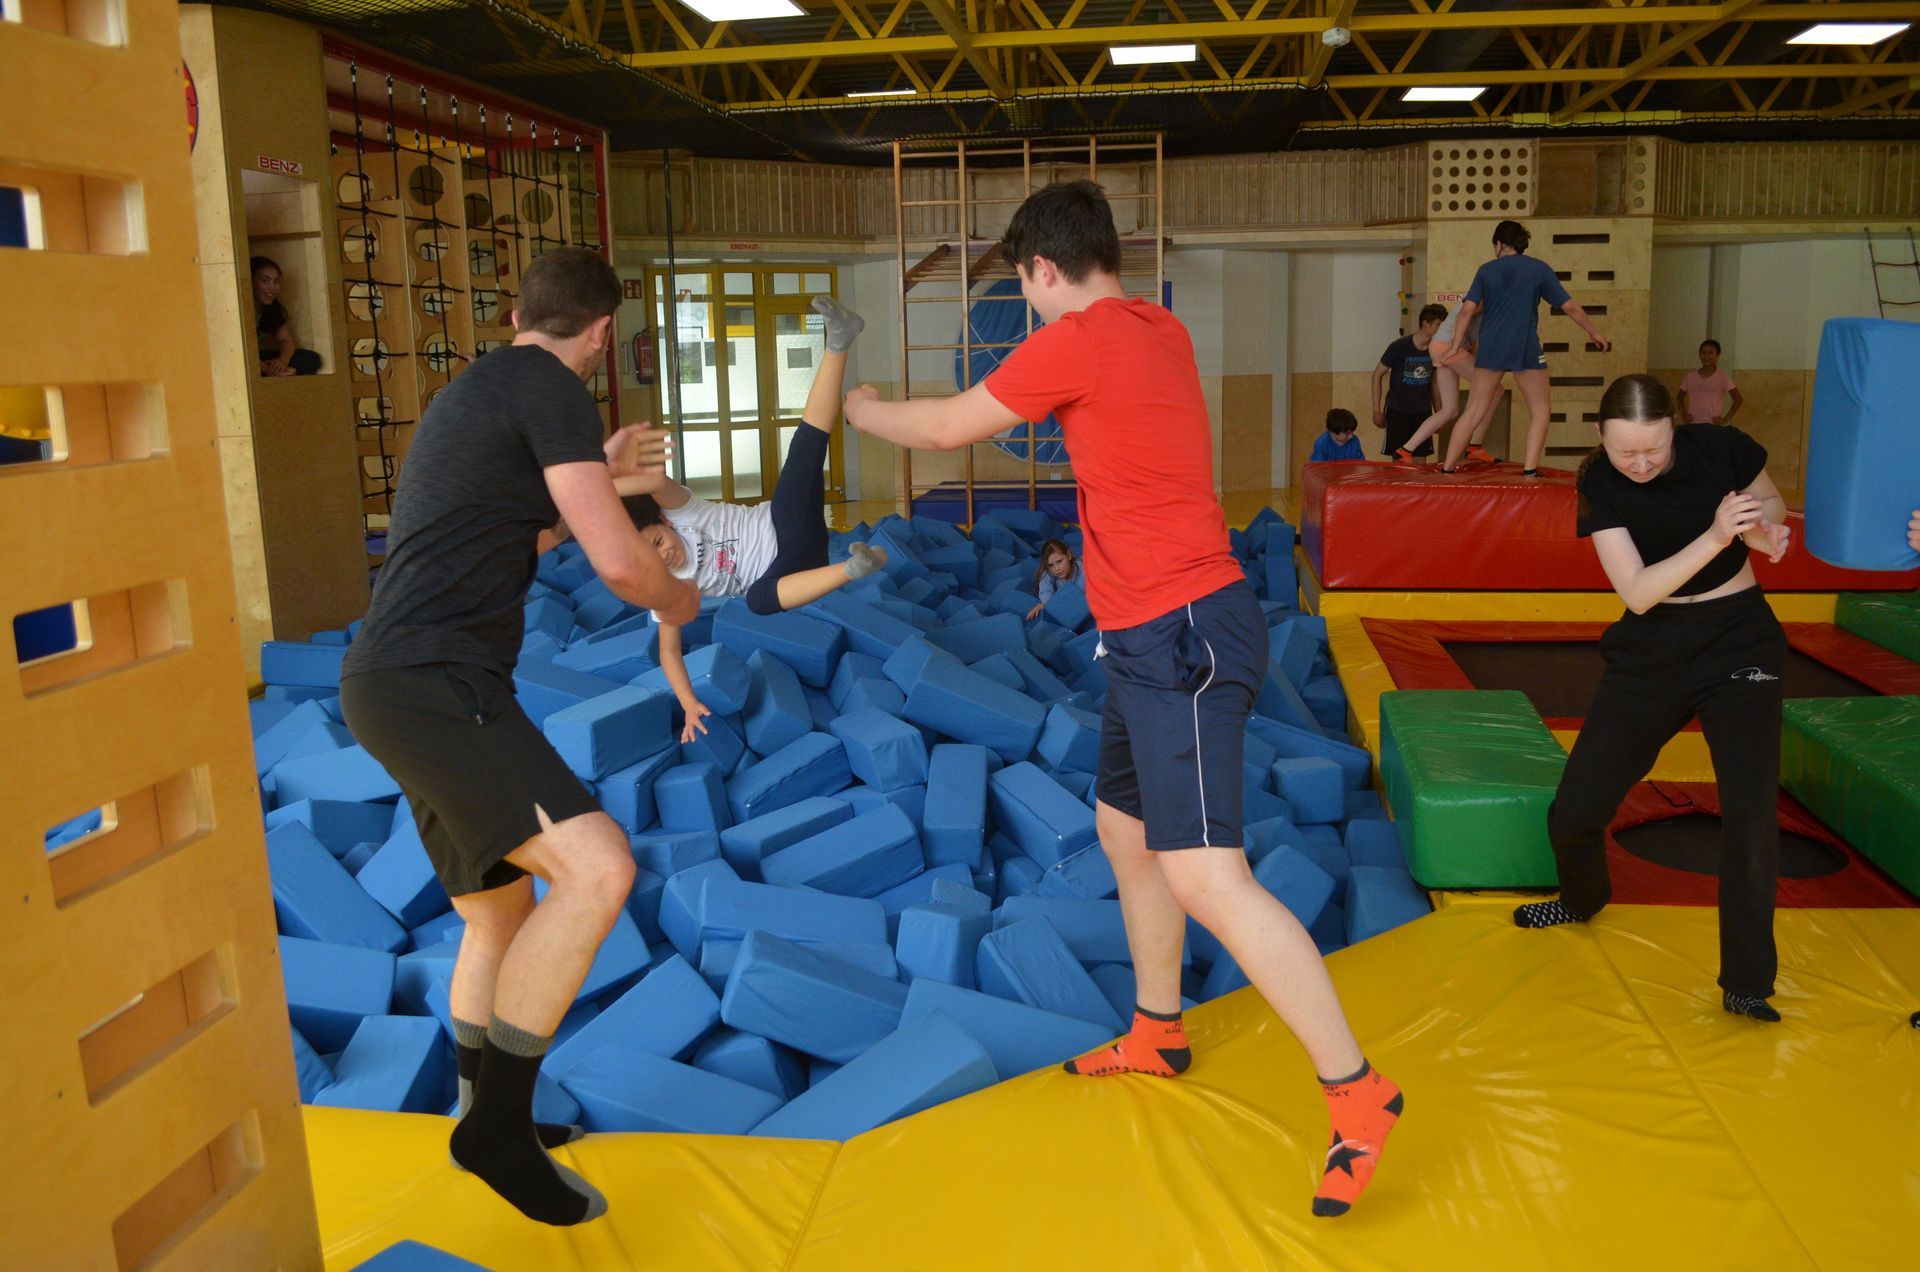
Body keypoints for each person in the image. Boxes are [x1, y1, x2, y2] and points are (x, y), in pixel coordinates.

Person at [843, 180, 1403, 1219]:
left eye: (1024, 284)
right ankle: (1158, 1026)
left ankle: (1359, 1095)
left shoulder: (1082, 336)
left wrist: (860, 406)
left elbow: (946, 428)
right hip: (1153, 631)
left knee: (1207, 876)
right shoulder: (1159, 327)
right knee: (1121, 825)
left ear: (1041, 271)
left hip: (1182, 632)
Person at [339, 247, 700, 1227]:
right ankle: (496, 1128)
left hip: (392, 679)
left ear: (519, 316)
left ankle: (474, 1110)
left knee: (498, 914)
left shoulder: (484, 386)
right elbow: (620, 565)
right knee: (599, 870)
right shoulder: (552, 390)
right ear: (597, 334)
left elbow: (525, 531)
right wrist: (683, 593)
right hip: (436, 684)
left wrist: (607, 472)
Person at [1514, 374, 1792, 1024]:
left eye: (1654, 450)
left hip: (1739, 642)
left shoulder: (1722, 448)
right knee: (1576, 807)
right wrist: (1720, 535)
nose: (1639, 465)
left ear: (1675, 428)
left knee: (1751, 818)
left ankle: (1747, 982)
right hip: (1653, 647)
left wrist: (1764, 531)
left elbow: (1771, 505)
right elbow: (1638, 592)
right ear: (1602, 441)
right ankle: (1581, 899)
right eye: (1624, 452)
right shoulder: (1599, 484)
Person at [618, 296, 886, 742]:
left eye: (655, 542)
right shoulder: (664, 592)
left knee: (804, 447)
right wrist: (688, 704)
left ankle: (840, 339)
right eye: (652, 560)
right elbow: (669, 653)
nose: (663, 556)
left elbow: (649, 480)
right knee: (758, 602)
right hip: (790, 575)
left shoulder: (681, 509)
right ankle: (854, 567)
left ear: (662, 524)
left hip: (787, 523)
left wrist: (598, 490)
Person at [1439, 221, 1609, 475]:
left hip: (1492, 346)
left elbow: (1467, 310)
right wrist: (1593, 331)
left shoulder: (1486, 270)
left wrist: (1454, 346)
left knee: (1474, 411)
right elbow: (1569, 306)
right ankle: (1530, 470)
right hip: (1525, 345)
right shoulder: (1538, 269)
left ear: (1499, 244)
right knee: (1541, 411)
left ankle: (1448, 467)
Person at [1393, 303, 1500, 467]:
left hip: (1442, 346)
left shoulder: (1486, 295)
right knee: (1496, 388)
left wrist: (1463, 350)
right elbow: (1465, 314)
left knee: (1450, 410)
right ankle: (1475, 446)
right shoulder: (1486, 294)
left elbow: (1472, 334)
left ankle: (1405, 450)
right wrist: (1455, 346)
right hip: (1448, 346)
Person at [1373, 305, 1443, 460]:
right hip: (1398, 409)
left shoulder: (1435, 350)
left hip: (1422, 411)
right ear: (1426, 324)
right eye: (1439, 325)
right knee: (1399, 459)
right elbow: (1377, 375)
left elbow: (1435, 383)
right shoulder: (1399, 346)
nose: (1441, 329)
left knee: (1420, 460)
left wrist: (1439, 414)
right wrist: (1376, 409)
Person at [251, 255, 322, 376]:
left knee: (310, 359)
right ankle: (277, 376)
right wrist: (268, 370)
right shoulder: (238, 310)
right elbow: (239, 353)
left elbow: (286, 340)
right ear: (250, 281)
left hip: (261, 360)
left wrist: (282, 361)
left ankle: (279, 374)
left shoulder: (273, 309)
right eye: (264, 280)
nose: (272, 287)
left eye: (276, 281)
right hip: (245, 361)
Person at [1677, 339, 1743, 426]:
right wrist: (1684, 415)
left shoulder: (1723, 377)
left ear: (1717, 355)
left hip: (1713, 426)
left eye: (1710, 353)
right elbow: (1679, 397)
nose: (1706, 356)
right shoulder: (1690, 376)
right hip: (1692, 424)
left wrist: (1725, 419)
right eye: (1703, 353)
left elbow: (1738, 400)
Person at [1026, 537, 1084, 620]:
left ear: (1068, 555)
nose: (1057, 568)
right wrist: (1046, 604)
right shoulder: (1048, 573)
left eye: (1060, 561)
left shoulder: (1084, 569)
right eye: (1051, 565)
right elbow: (1045, 591)